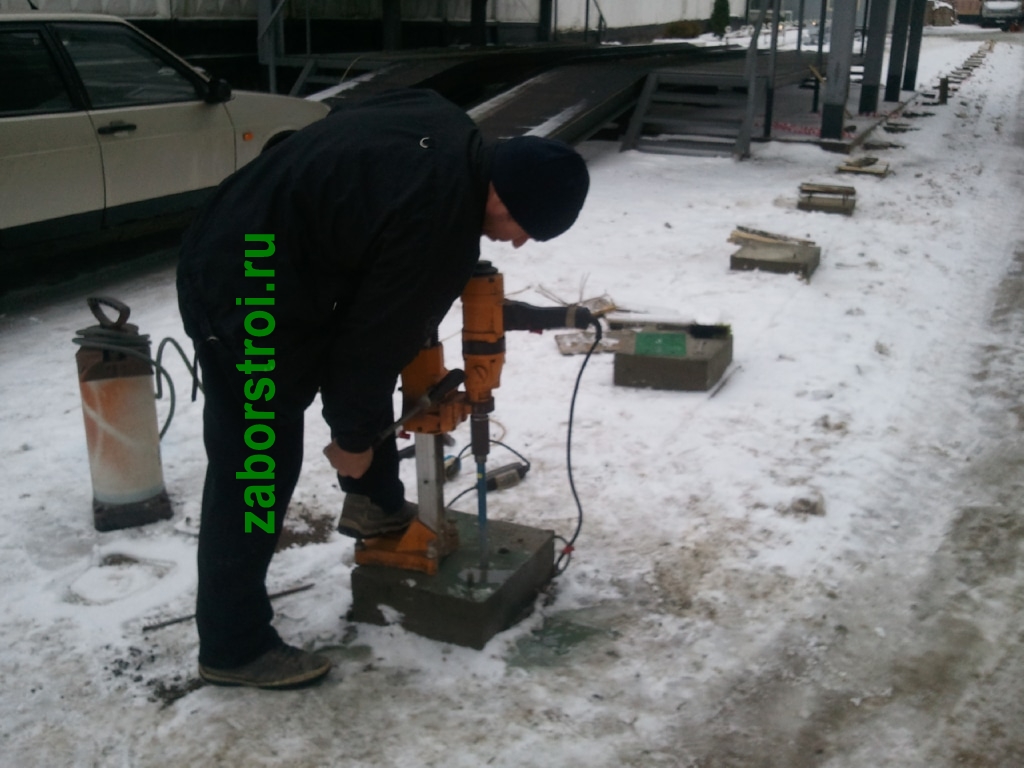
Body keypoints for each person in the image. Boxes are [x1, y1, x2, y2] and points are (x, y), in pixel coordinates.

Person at [176, 88, 589, 689]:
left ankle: (375, 503)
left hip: (247, 231)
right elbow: (366, 351)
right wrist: (352, 440)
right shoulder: (440, 223)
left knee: (337, 401)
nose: (519, 242)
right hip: (245, 280)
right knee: (258, 460)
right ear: (504, 195)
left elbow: (346, 132)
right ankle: (232, 646)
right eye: (527, 228)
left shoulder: (443, 119)